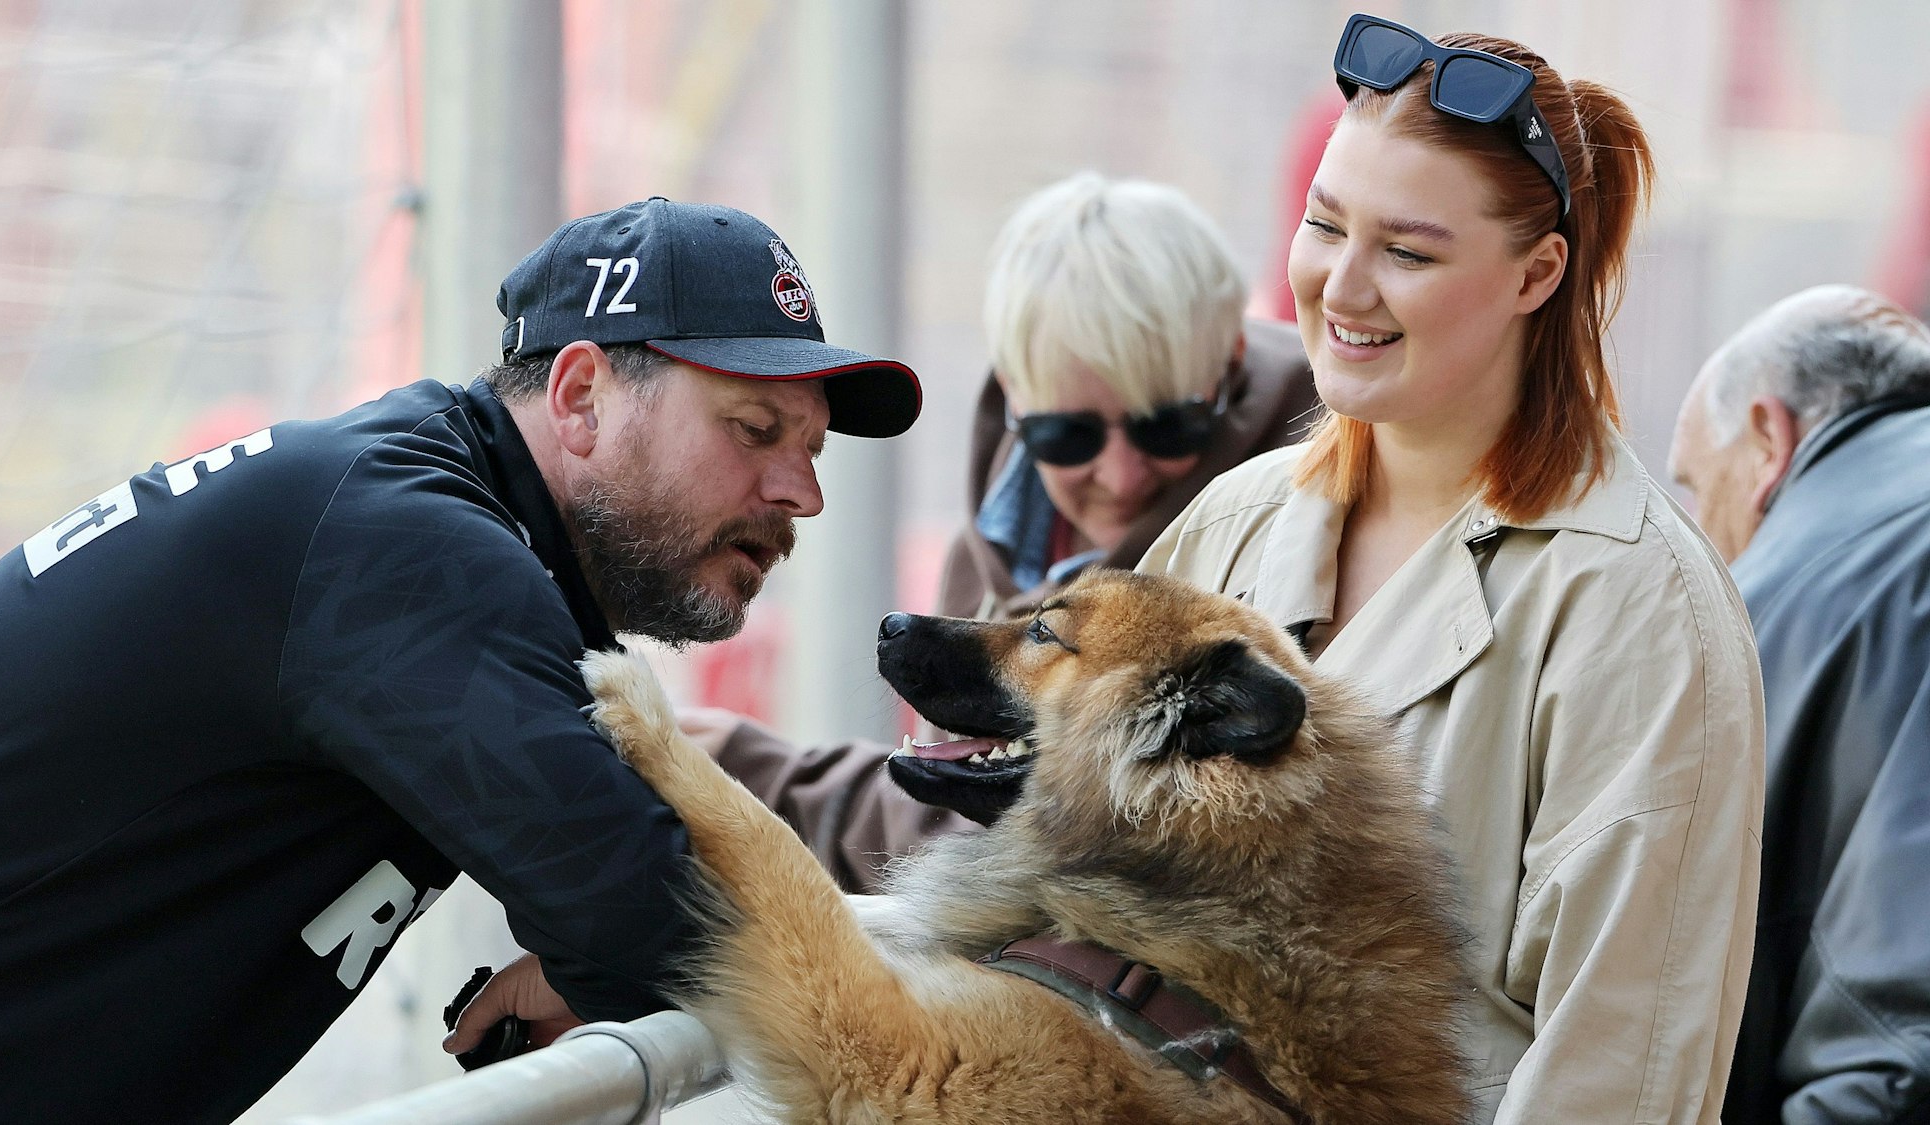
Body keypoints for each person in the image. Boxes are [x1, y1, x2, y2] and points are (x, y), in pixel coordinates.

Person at [0, 198, 921, 1123]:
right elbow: (666, 936)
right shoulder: (404, 547)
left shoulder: (412, 514)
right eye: (754, 429)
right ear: (580, 397)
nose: (801, 493)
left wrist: (603, 951)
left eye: (813, 450)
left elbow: (633, 919)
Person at [1139, 15, 1763, 1122]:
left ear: (1536, 273)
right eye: (1323, 225)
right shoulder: (1228, 527)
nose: (1342, 287)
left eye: (1408, 252)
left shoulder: (1632, 608)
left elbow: (1617, 1072)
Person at [680, 172, 1318, 892]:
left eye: (1166, 423)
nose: (1121, 473)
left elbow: (1056, 840)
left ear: (1229, 366)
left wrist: (766, 773)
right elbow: (966, 796)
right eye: (1068, 434)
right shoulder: (986, 552)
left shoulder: (1286, 527)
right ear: (1015, 395)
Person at [1669, 285, 1930, 1125]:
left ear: (1768, 437)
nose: (1703, 531)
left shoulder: (1777, 600)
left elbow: (1894, 1031)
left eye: (1696, 488)